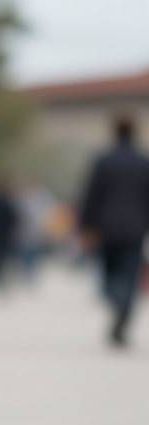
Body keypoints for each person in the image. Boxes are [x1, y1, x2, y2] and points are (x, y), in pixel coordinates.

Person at [79, 114, 149, 346]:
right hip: (135, 229)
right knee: (130, 274)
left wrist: (86, 226)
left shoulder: (104, 161)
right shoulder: (143, 162)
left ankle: (117, 302)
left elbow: (92, 195)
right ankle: (123, 306)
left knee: (109, 275)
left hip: (106, 228)